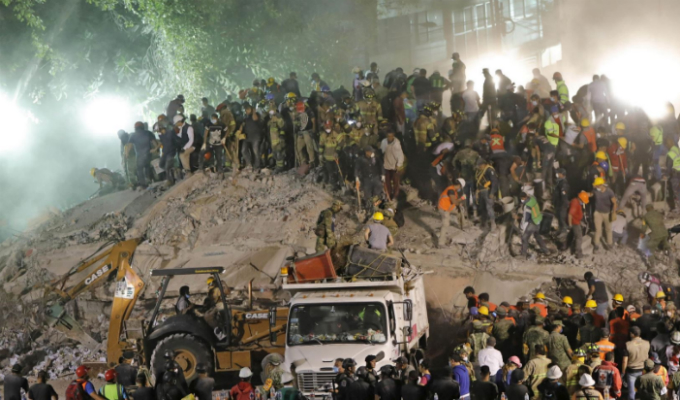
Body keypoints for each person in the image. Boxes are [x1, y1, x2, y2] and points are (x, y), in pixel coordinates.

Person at [622, 327, 650, 400]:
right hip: (644, 371)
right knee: (643, 392)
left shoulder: (627, 345)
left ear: (632, 334)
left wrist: (623, 373)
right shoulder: (647, 343)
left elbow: (625, 361)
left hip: (632, 371)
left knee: (632, 393)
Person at [519, 192, 550, 258]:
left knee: (524, 238)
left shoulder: (527, 206)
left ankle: (523, 255)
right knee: (537, 235)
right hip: (538, 220)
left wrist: (521, 227)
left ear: (523, 198)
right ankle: (546, 251)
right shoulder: (533, 198)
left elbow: (525, 219)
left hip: (533, 222)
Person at [128, 121, 159, 189]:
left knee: (140, 169)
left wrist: (126, 154)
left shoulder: (133, 135)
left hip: (139, 156)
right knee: (147, 167)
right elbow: (155, 142)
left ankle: (143, 184)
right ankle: (149, 180)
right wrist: (155, 149)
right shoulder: (148, 133)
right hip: (148, 154)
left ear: (135, 128)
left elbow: (129, 146)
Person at [438, 180, 466, 245]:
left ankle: (462, 226)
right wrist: (462, 198)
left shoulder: (454, 190)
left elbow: (455, 202)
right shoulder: (451, 190)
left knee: (460, 210)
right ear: (459, 185)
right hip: (444, 208)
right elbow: (454, 202)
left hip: (448, 207)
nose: (460, 189)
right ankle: (441, 243)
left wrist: (459, 204)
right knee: (445, 224)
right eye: (460, 187)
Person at [476, 158, 499, 231]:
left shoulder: (489, 170)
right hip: (481, 191)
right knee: (482, 208)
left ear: (484, 164)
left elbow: (494, 182)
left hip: (488, 191)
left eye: (480, 165)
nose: (479, 167)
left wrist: (492, 192)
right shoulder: (480, 171)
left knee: (489, 208)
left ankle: (493, 224)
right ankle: (484, 223)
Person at [381, 131, 404, 200]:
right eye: (388, 136)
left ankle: (395, 196)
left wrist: (399, 165)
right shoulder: (384, 142)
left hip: (394, 166)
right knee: (387, 182)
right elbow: (382, 151)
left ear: (393, 136)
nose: (389, 138)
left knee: (395, 182)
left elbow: (400, 155)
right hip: (386, 165)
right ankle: (389, 195)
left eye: (391, 136)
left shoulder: (396, 143)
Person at [567, 192, 589, 258]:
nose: (583, 203)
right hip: (574, 223)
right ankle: (578, 254)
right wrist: (570, 224)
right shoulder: (575, 203)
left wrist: (580, 222)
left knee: (574, 236)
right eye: (583, 201)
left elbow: (575, 215)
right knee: (579, 237)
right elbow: (570, 214)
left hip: (576, 222)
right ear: (580, 199)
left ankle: (570, 250)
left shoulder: (577, 202)